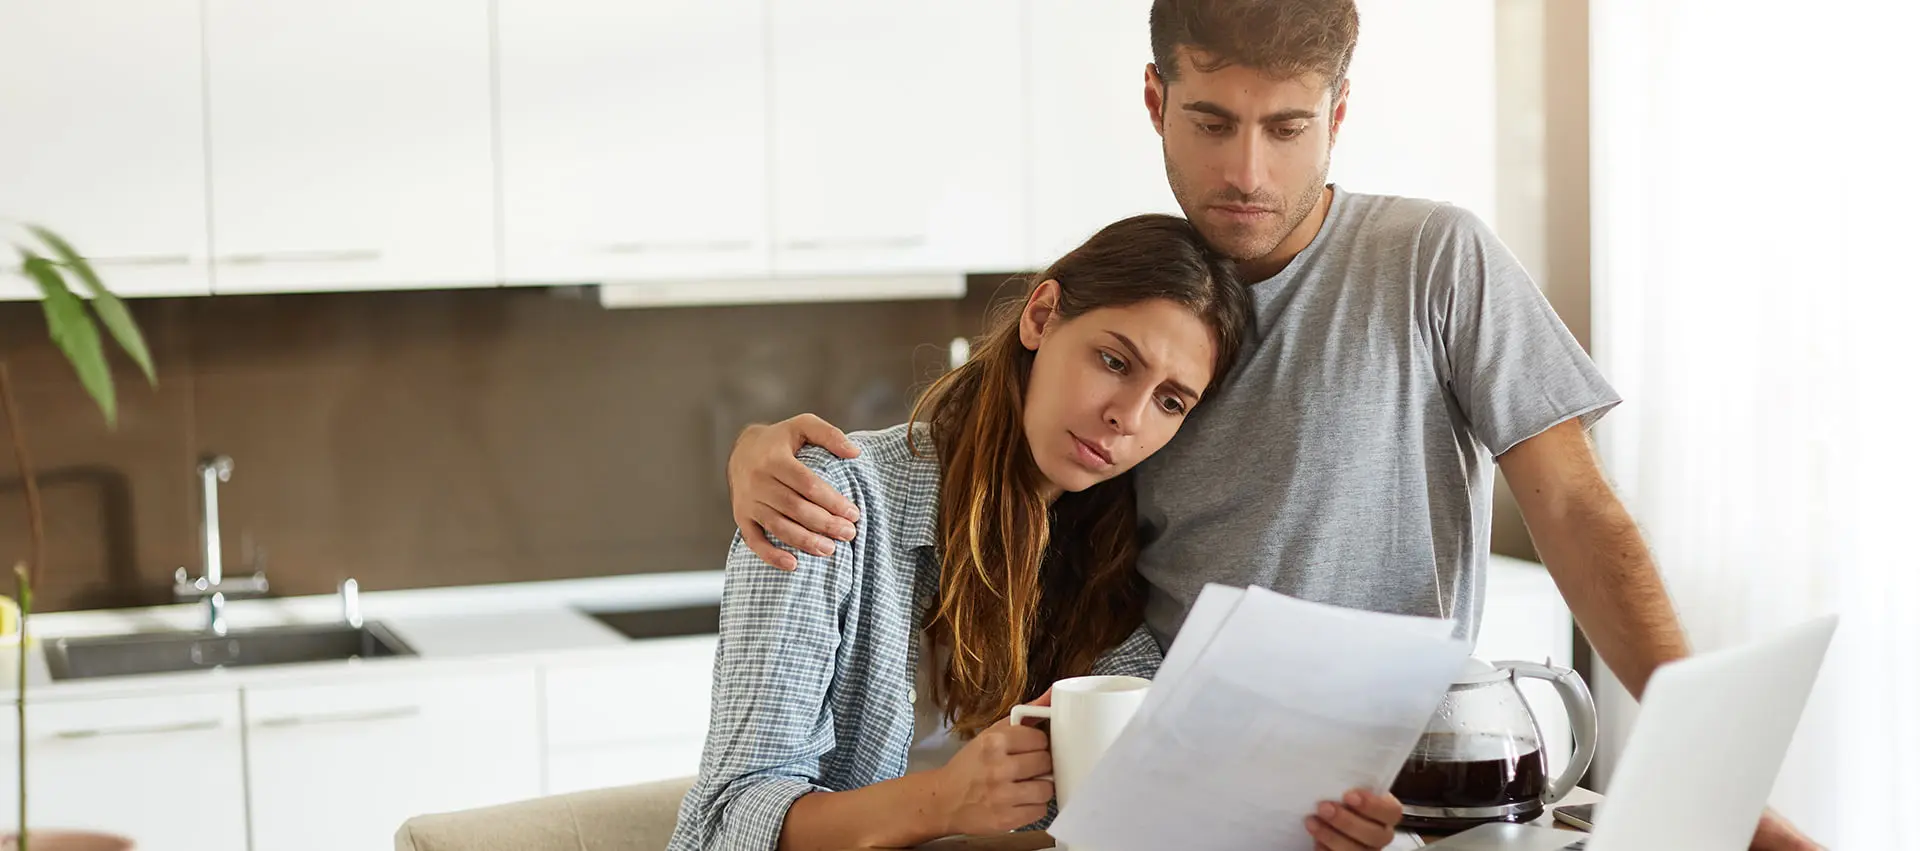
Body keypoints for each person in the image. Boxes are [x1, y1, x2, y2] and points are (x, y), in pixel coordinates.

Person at [721, 2, 1820, 849]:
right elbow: (978, 466)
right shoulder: (1112, 349)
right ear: (1156, 101)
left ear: (1336, 116)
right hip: (1174, 798)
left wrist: (1720, 783)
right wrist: (775, 454)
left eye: (1287, 128)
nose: (1247, 171)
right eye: (1212, 122)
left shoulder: (1433, 261)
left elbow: (1576, 509)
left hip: (1388, 799)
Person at [670, 215, 1398, 851]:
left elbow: (1156, 803)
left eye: (1170, 401)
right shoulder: (825, 504)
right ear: (1042, 317)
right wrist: (942, 801)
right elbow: (726, 823)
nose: (1127, 418)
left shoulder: (1110, 556)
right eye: (1115, 361)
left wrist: (1310, 821)